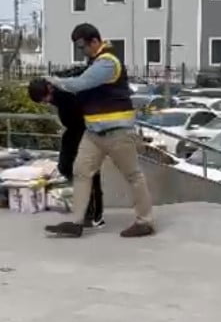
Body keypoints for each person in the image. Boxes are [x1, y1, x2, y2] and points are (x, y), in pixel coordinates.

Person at [42, 23, 154, 238]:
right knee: (81, 171)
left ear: (95, 41)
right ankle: (76, 222)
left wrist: (53, 80)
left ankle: (145, 221)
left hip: (117, 132)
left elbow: (80, 84)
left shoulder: (107, 62)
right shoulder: (94, 62)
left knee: (133, 175)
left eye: (82, 46)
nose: (81, 51)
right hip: (93, 132)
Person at [27, 73, 104, 228]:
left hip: (86, 129)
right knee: (65, 166)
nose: (46, 102)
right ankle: (86, 203)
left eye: (45, 98)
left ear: (49, 89)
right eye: (42, 101)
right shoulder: (54, 91)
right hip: (73, 130)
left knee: (87, 170)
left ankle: (94, 213)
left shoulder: (65, 92)